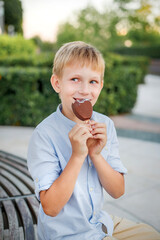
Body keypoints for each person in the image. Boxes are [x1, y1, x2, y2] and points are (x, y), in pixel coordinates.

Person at [27, 41, 160, 240]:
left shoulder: (105, 125)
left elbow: (117, 191)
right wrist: (77, 155)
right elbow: (51, 208)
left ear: (101, 86)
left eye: (93, 82)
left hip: (98, 221)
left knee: (150, 234)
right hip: (67, 233)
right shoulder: (44, 135)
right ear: (57, 84)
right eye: (74, 79)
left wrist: (96, 155)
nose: (84, 90)